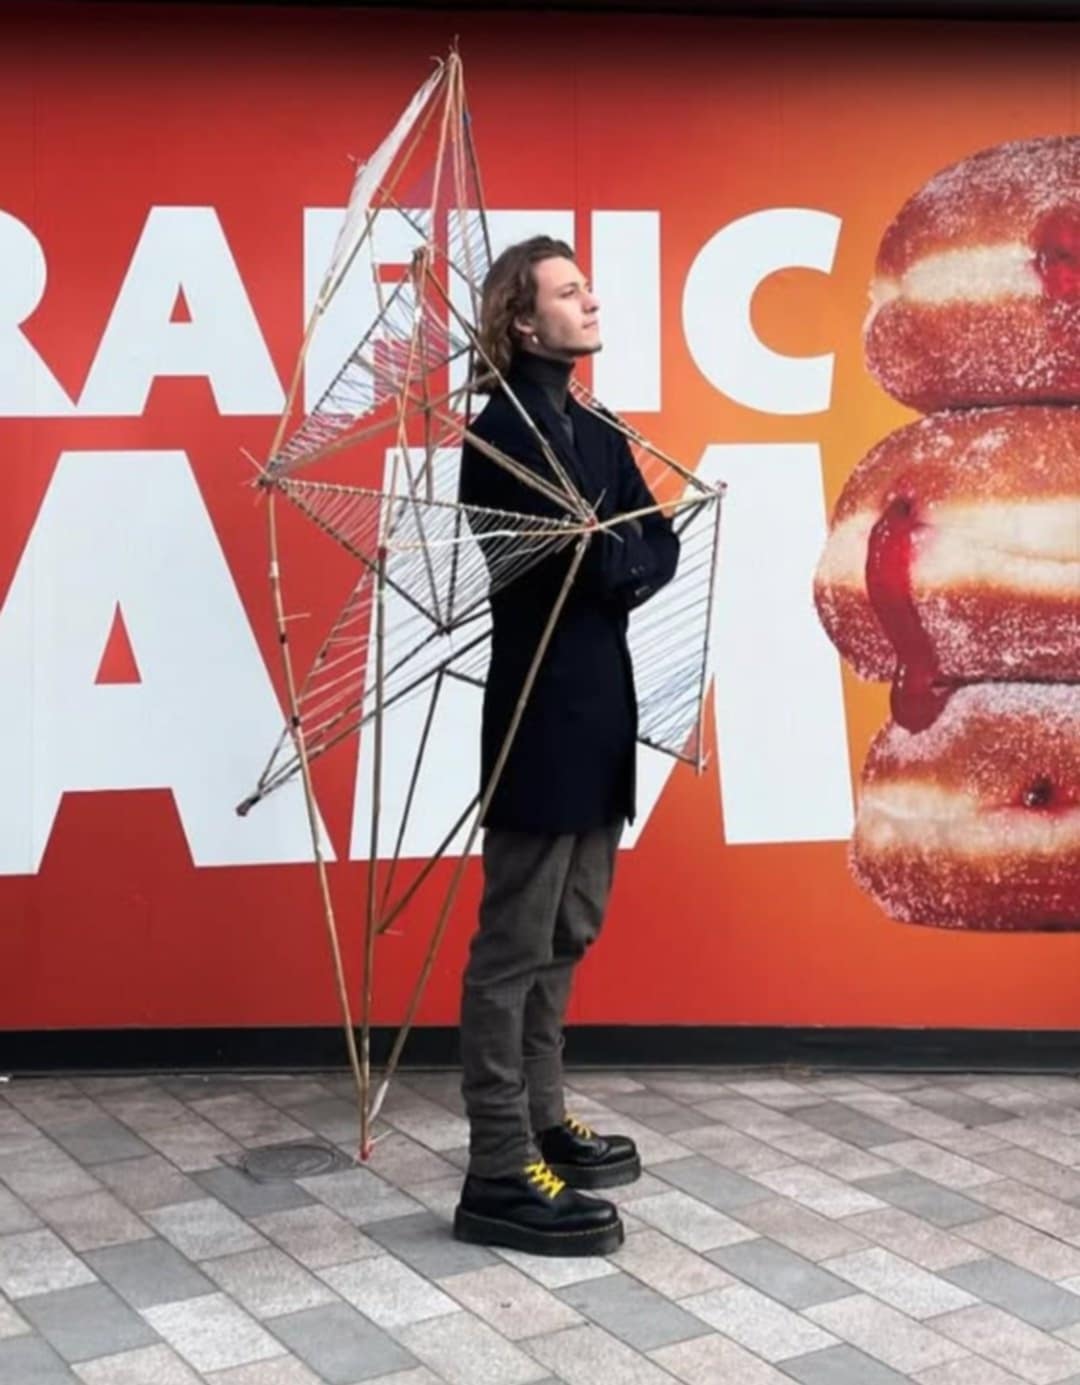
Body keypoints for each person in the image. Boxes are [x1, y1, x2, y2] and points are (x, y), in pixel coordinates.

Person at [452, 236, 680, 1257]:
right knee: (513, 943)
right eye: (569, 291)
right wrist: (615, 555)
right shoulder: (499, 433)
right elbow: (582, 567)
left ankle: (544, 1120)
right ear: (522, 320)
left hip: (600, 709)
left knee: (570, 925)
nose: (591, 302)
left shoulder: (592, 424)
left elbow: (655, 541)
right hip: (539, 714)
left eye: (589, 286)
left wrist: (616, 552)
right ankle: (498, 1167)